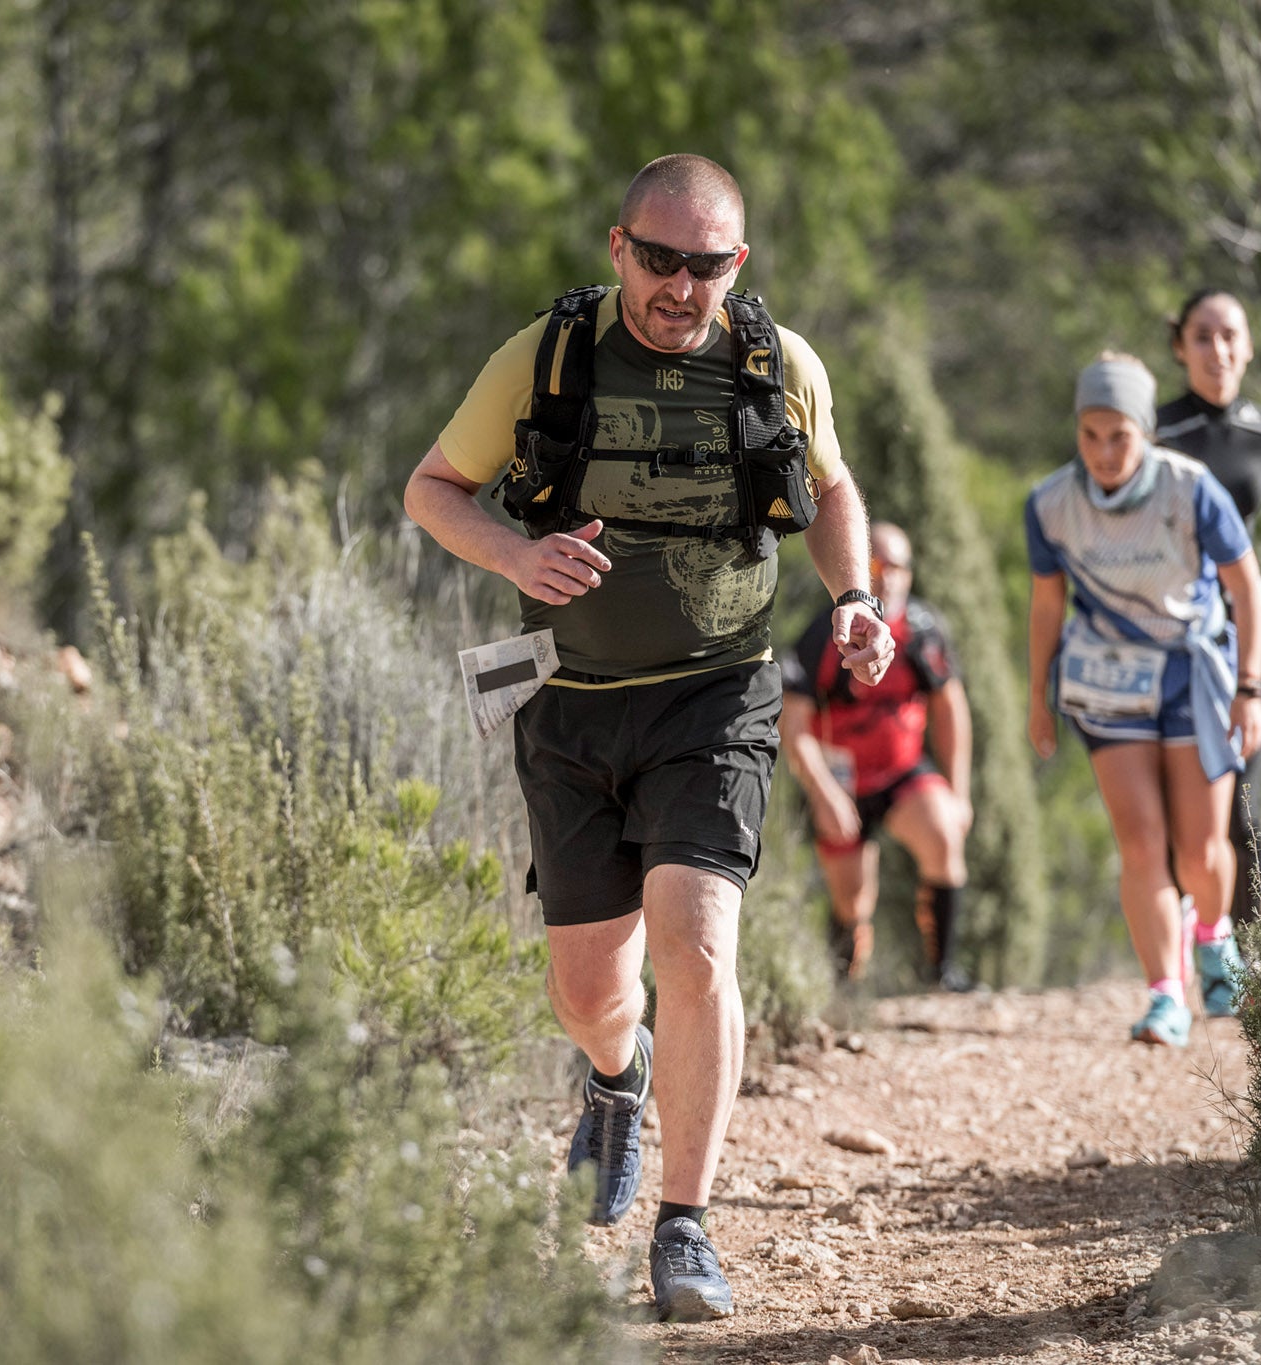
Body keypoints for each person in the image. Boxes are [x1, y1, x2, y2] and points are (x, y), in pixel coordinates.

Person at [402, 153, 894, 1322]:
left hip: (715, 696)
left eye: (706, 264)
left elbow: (827, 490)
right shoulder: (546, 357)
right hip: (566, 701)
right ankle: (614, 1081)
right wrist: (517, 557)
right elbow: (432, 488)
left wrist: (855, 599)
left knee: (697, 941)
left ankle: (684, 1227)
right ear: (617, 248)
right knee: (588, 993)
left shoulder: (775, 365)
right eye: (659, 259)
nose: (681, 287)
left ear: (738, 263)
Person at [1025, 352, 1261, 1047]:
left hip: (1194, 673)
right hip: (1107, 680)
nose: (1105, 452)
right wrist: (1037, 693)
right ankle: (1167, 996)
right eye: (1091, 434)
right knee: (1141, 844)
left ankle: (1214, 937)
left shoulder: (1192, 490)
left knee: (1199, 850)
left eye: (1120, 436)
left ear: (1145, 431)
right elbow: (1047, 603)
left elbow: (1247, 591)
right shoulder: (1049, 504)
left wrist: (1250, 688)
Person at [1155, 289, 1261, 926]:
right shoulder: (1155, 431)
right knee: (1178, 799)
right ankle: (1185, 949)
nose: (1218, 349)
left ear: (1250, 346)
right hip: (1169, 632)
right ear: (1181, 348)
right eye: (1202, 336)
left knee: (1239, 791)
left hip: (1251, 629)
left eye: (1230, 335)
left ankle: (1257, 962)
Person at [778, 522, 975, 991]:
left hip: (901, 773)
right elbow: (794, 724)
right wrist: (823, 792)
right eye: (874, 564)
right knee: (853, 902)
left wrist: (959, 793)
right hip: (839, 782)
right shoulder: (824, 634)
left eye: (897, 566)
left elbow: (952, 709)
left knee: (945, 833)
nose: (887, 576)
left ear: (910, 574)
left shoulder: (924, 631)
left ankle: (941, 974)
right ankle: (843, 989)